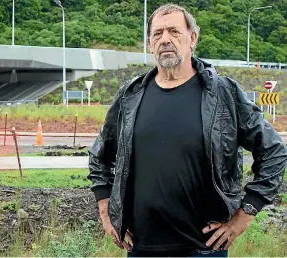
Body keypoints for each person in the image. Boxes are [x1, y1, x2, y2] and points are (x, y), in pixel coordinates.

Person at [87, 3, 287, 257]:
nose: (165, 39)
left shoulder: (224, 94)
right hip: (141, 248)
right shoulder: (130, 96)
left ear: (192, 39)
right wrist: (106, 211)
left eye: (174, 32)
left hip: (203, 250)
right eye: (157, 34)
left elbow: (274, 152)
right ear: (149, 43)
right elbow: (99, 157)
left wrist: (245, 215)